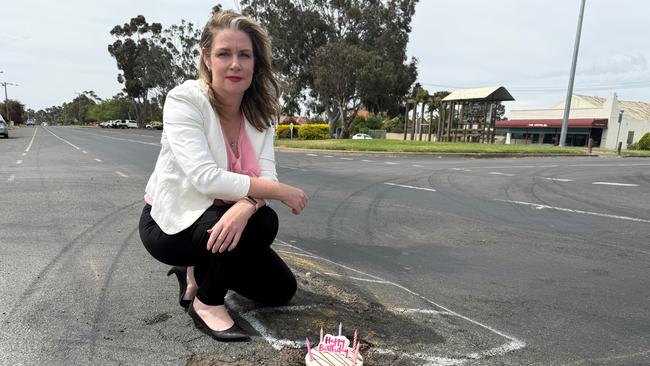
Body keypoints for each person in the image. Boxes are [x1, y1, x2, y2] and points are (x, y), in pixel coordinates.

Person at [138, 10, 308, 342]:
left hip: (222, 220)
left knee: (280, 290)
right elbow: (206, 178)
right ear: (207, 57)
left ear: (255, 62)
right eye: (224, 54)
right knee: (263, 222)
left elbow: (266, 174)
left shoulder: (262, 111)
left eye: (244, 55)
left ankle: (196, 275)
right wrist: (276, 193)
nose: (235, 64)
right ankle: (206, 302)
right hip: (172, 224)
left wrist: (246, 205)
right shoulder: (185, 100)